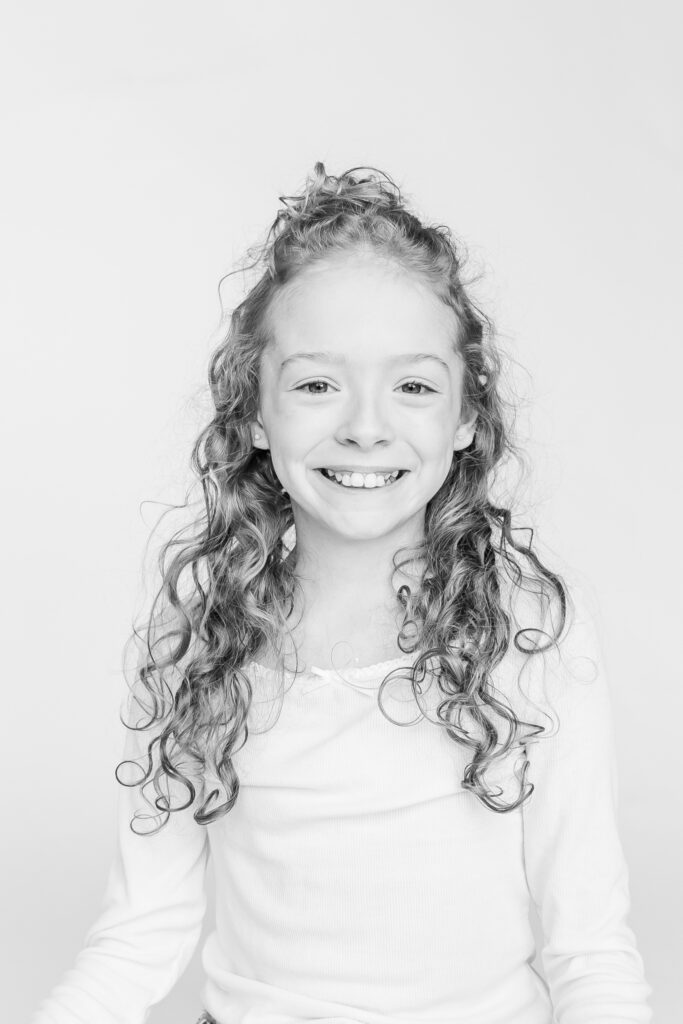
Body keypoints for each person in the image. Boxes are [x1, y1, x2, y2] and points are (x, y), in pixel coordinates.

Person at [32, 163, 653, 1024]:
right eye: (317, 384)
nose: (365, 425)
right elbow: (137, 936)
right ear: (254, 411)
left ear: (467, 417)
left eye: (412, 386)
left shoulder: (529, 626)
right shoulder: (199, 631)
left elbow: (588, 950)